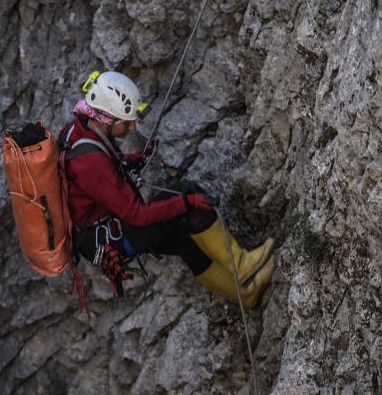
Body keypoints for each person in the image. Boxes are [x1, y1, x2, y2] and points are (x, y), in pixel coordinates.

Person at [59, 71, 276, 308]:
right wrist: (185, 202)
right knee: (187, 194)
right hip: (117, 237)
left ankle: (247, 295)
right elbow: (137, 214)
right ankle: (242, 267)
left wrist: (132, 161)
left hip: (103, 235)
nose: (132, 127)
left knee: (183, 240)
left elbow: (99, 182)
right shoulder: (90, 160)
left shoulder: (81, 128)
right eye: (126, 121)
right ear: (107, 118)